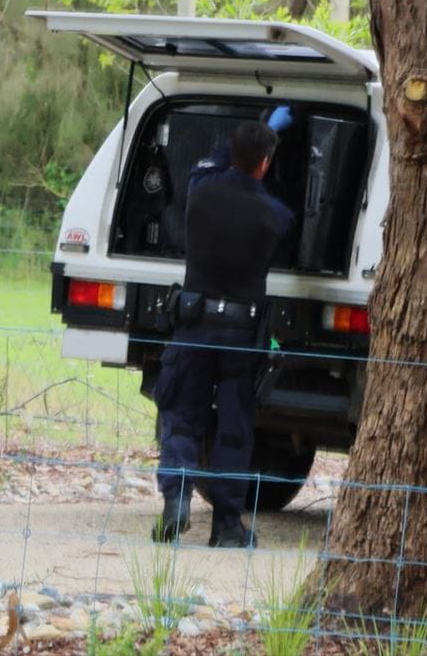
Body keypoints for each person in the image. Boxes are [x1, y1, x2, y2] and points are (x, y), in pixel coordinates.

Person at [151, 107, 295, 548]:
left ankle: (176, 500)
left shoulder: (200, 189)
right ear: (265, 164)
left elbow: (214, 162)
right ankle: (228, 527)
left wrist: (261, 129)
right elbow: (268, 201)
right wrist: (270, 142)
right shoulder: (276, 215)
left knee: (181, 415)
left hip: (193, 325)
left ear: (230, 154)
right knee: (234, 428)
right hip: (240, 335)